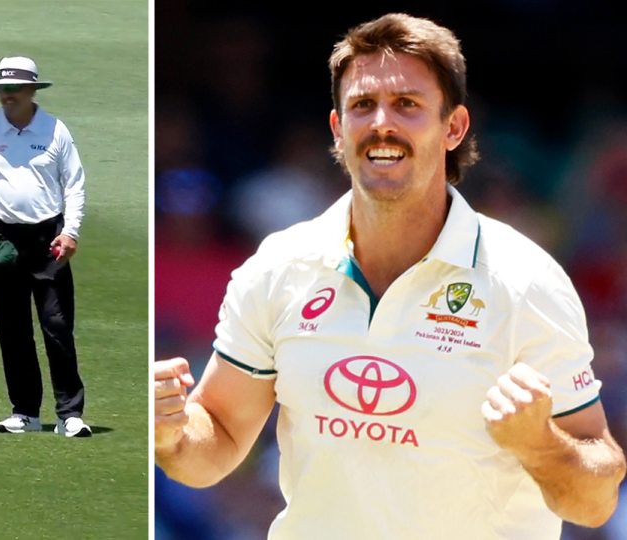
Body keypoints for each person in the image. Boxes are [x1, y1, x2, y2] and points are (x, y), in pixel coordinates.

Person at [153, 13, 626, 539]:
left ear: (454, 127)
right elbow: (212, 448)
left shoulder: (526, 281)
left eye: (407, 104)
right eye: (362, 105)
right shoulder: (278, 267)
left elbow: (595, 500)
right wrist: (171, 432)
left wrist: (539, 442)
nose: (382, 123)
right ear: (337, 128)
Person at [0, 56, 91, 437]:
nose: (6, 96)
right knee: (13, 329)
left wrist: (71, 232)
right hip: (1, 240)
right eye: (1, 89)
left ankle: (69, 414)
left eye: (13, 89)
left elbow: (74, 183)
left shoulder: (55, 130)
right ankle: (26, 412)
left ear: (31, 91)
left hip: (49, 240)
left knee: (57, 326)